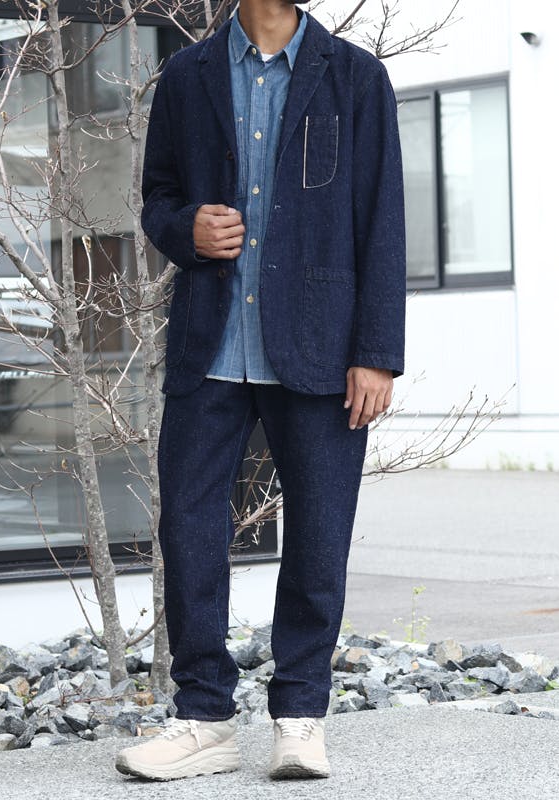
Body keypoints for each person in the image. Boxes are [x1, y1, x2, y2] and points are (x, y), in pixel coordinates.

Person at [113, 0, 406, 783]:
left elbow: (383, 218)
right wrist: (186, 230)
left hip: (321, 348)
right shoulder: (187, 75)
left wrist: (377, 354)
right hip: (210, 346)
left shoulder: (356, 78)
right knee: (188, 530)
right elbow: (157, 197)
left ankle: (300, 716)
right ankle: (204, 717)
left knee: (318, 536)